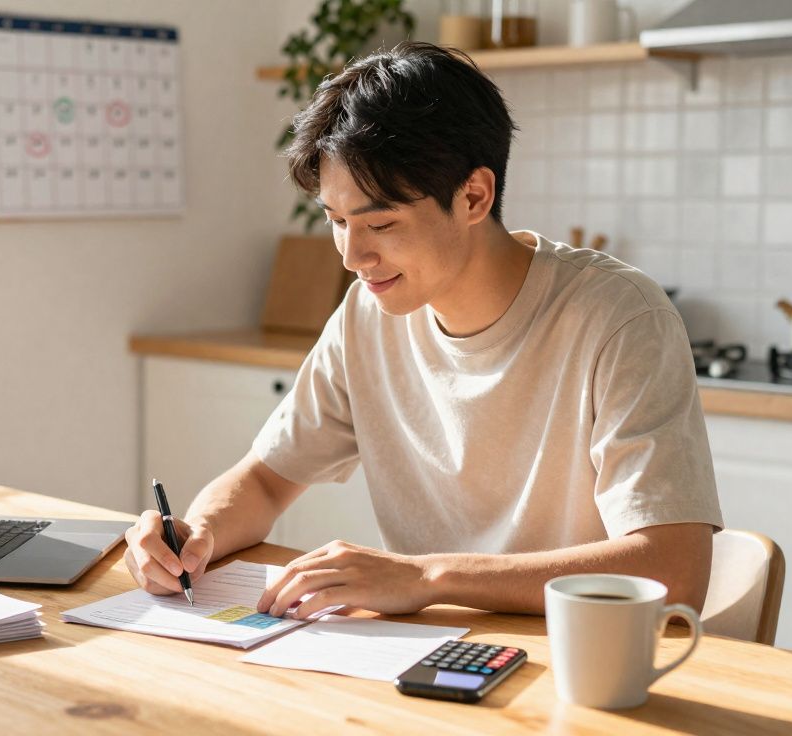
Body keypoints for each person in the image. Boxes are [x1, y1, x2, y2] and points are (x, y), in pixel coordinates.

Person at [123, 41, 722, 619]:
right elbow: (264, 480)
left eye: (379, 223)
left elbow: (672, 571)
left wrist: (425, 578)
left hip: (573, 661)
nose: (352, 256)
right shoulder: (366, 314)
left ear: (474, 196)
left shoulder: (620, 317)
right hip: (424, 653)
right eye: (335, 221)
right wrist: (196, 534)